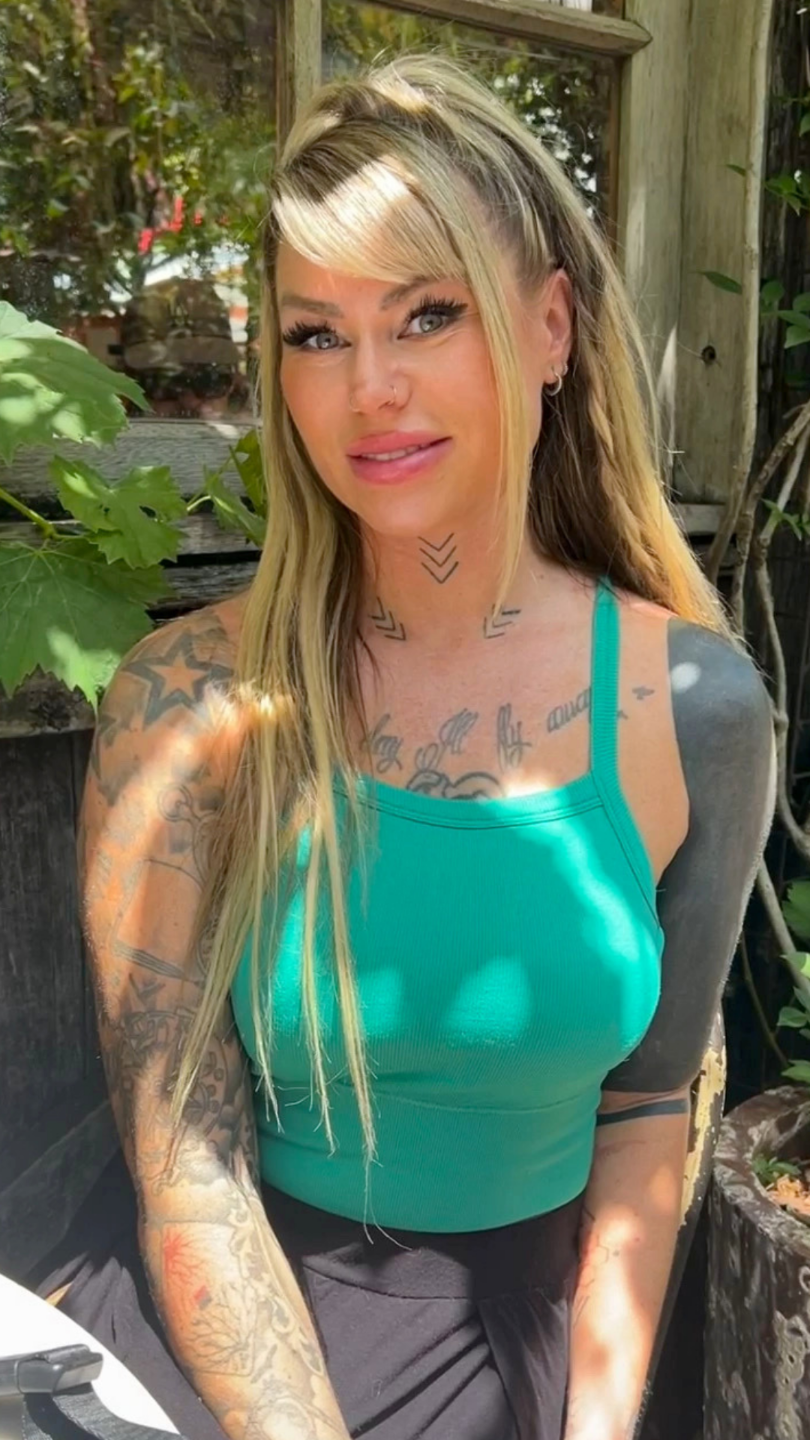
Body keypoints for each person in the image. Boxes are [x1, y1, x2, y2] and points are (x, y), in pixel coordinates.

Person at [33, 55, 774, 1440]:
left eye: (427, 314)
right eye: (315, 335)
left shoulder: (695, 707)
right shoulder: (186, 702)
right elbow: (186, 1165)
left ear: (549, 328)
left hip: (524, 1356)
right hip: (222, 1355)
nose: (368, 386)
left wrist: (595, 1425)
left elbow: (647, 1106)